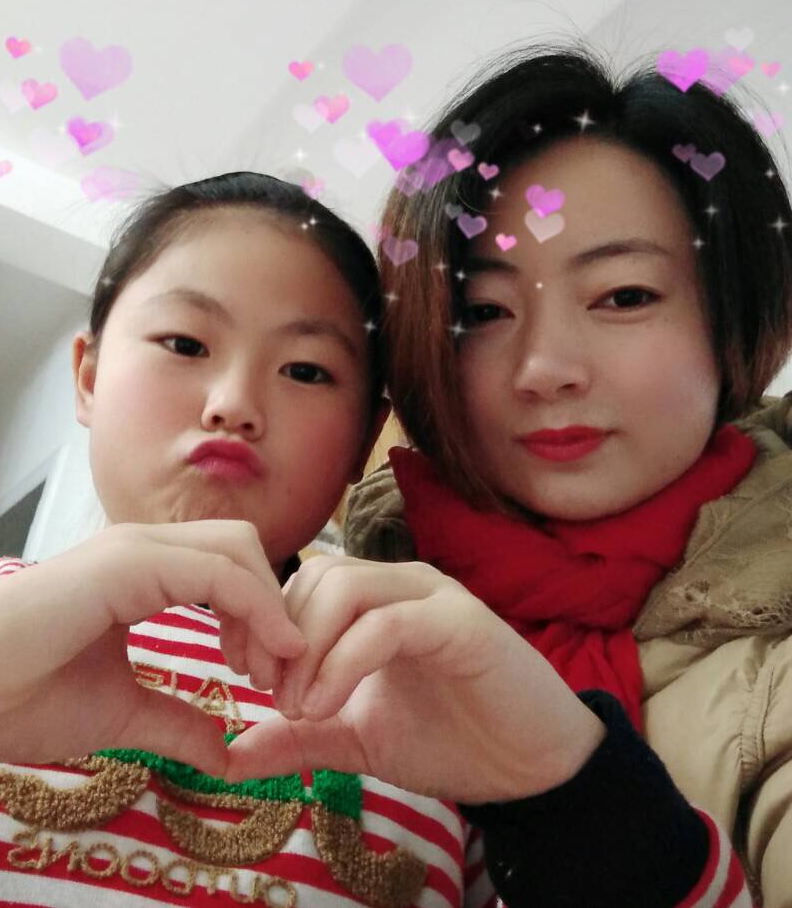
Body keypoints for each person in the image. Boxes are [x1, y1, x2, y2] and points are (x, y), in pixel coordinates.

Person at [221, 47, 792, 907]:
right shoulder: (317, 620)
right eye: (483, 311)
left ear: (733, 315)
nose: (544, 368)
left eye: (622, 295)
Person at [0, 171, 490, 908]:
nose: (233, 404)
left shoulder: (442, 711)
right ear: (89, 377)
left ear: (363, 440)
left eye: (306, 370)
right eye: (185, 343)